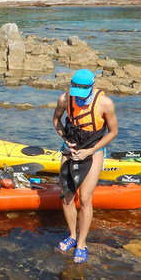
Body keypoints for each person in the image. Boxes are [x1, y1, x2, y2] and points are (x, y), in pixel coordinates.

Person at [52, 69, 118, 264]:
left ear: (92, 86)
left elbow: (113, 132)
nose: (78, 97)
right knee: (67, 195)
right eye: (76, 92)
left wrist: (90, 151)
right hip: (70, 148)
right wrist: (65, 139)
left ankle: (81, 244)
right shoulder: (64, 99)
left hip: (93, 149)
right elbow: (56, 120)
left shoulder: (105, 104)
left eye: (83, 92)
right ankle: (72, 235)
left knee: (86, 198)